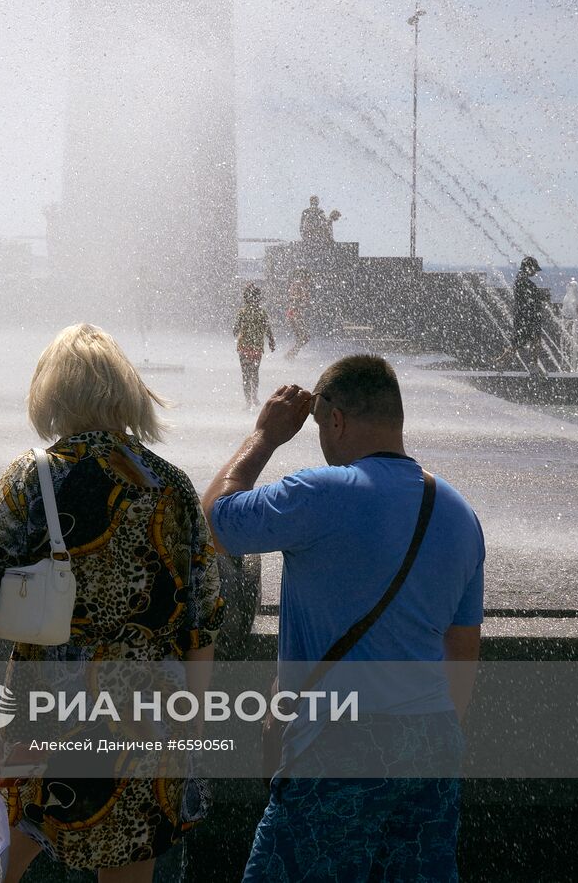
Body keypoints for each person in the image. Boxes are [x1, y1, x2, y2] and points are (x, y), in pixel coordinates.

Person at [0, 323, 224, 883]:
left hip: (42, 713)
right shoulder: (171, 486)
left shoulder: (32, 478)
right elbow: (202, 621)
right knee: (126, 869)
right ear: (125, 392)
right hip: (148, 721)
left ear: (52, 394)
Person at [201, 355, 483, 883]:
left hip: (336, 744)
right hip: (431, 749)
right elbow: (462, 650)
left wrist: (264, 436)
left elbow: (214, 521)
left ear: (335, 419)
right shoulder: (459, 512)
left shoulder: (322, 492)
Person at [234, 283, 276, 408]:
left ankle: (248, 402)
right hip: (257, 348)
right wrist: (271, 341)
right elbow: (267, 328)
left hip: (244, 347)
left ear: (245, 298)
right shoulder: (262, 313)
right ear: (259, 299)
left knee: (245, 374)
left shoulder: (242, 312)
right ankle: (254, 396)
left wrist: (239, 329)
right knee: (255, 373)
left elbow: (235, 330)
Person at [510, 255, 546, 371]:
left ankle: (534, 363)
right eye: (534, 269)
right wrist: (539, 297)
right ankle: (500, 360)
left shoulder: (521, 279)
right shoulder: (522, 280)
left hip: (527, 315)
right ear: (528, 268)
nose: (535, 272)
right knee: (521, 341)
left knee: (531, 339)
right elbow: (526, 298)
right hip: (525, 316)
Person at [283, 271, 311, 359]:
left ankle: (292, 353)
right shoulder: (299, 286)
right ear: (305, 278)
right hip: (294, 314)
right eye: (308, 278)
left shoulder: (299, 286)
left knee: (303, 337)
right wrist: (303, 301)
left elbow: (294, 299)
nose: (309, 281)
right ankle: (291, 354)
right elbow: (295, 299)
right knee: (304, 337)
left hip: (294, 314)